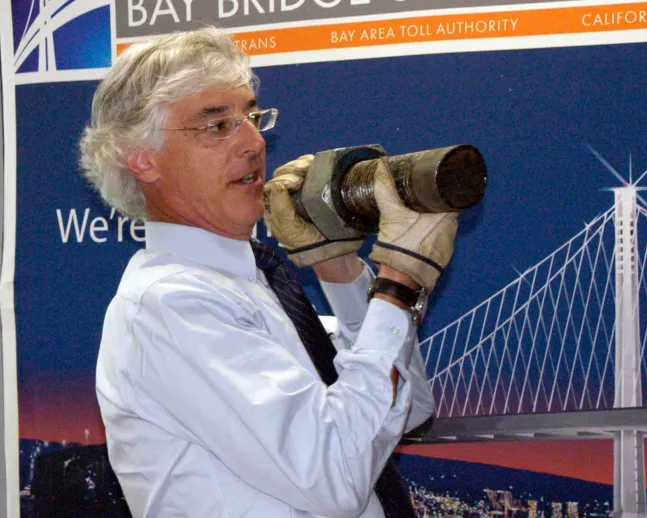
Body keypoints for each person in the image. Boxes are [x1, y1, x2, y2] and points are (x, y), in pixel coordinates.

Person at [81, 27, 458, 517]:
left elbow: (407, 409)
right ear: (143, 160)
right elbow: (336, 474)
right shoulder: (170, 304)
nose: (255, 142)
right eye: (217, 126)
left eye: (252, 116)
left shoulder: (260, 281)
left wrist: (340, 267)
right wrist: (397, 282)